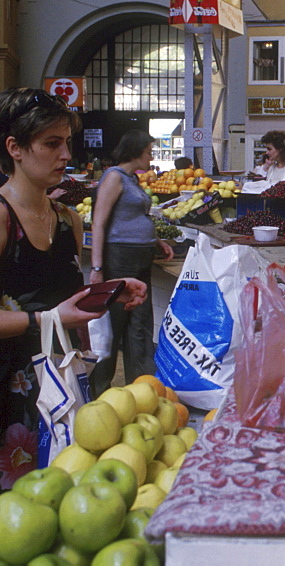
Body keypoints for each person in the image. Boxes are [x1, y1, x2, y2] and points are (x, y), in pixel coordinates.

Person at [0, 87, 147, 555]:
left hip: (65, 396)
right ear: (14, 148)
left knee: (60, 533)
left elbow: (59, 302)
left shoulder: (66, 217)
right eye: (52, 143)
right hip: (6, 406)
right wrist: (46, 317)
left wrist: (109, 294)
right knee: (5, 539)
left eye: (66, 142)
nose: (66, 154)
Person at [89, 130, 175, 396]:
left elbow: (136, 217)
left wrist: (156, 240)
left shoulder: (131, 179)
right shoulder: (114, 177)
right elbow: (99, 222)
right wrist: (97, 268)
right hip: (120, 259)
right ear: (136, 151)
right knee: (115, 326)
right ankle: (100, 391)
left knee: (140, 324)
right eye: (149, 151)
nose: (151, 156)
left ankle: (141, 390)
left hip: (140, 257)